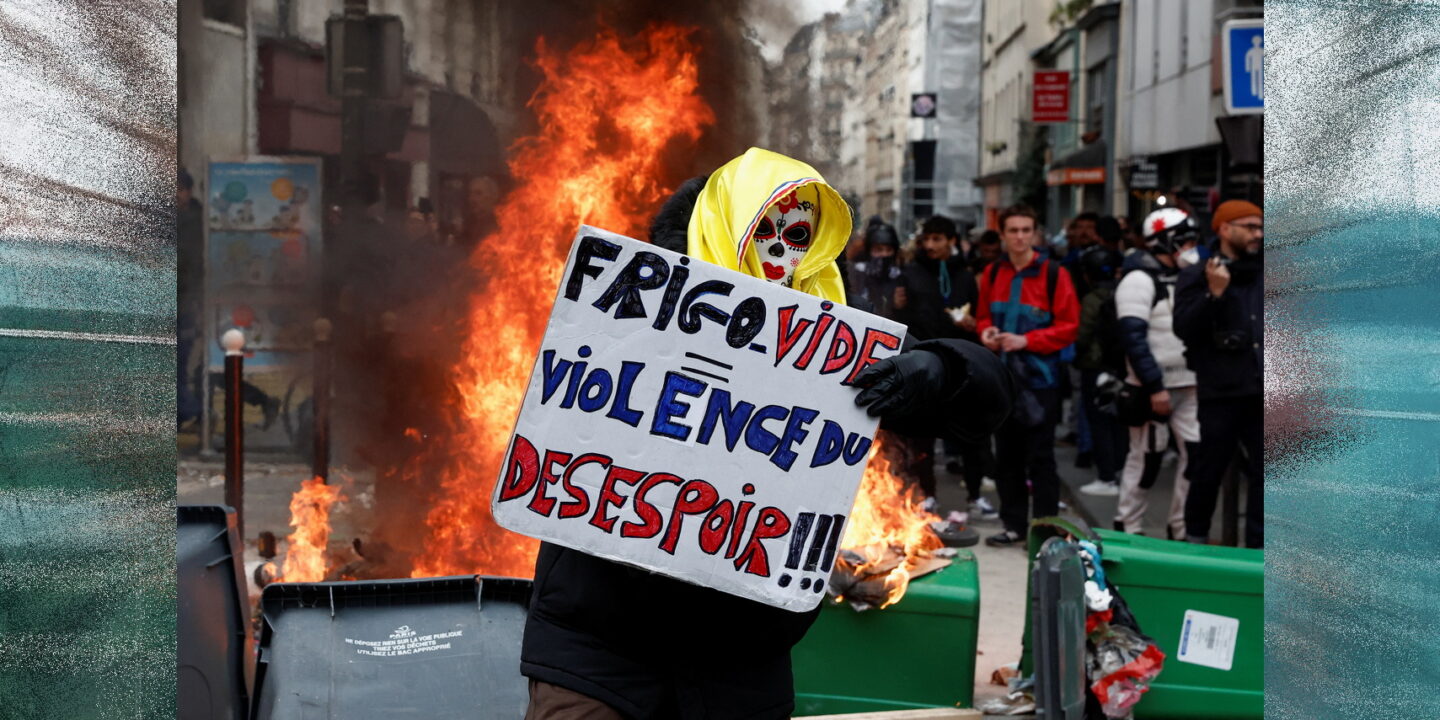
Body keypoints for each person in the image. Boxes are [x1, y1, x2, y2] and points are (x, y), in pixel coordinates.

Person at [521, 148, 1016, 720]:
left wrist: (942, 368)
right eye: (764, 229)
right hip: (600, 652)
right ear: (727, 222)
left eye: (799, 234)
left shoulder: (831, 339)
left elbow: (987, 402)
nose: (781, 249)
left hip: (740, 666)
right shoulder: (631, 303)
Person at [977, 205, 1080, 547]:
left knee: (1041, 458)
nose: (1020, 237)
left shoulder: (1054, 274)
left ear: (1035, 233)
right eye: (1013, 230)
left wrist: (1027, 340)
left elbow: (1069, 327)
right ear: (1003, 234)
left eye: (1026, 230)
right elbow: (982, 317)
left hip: (1040, 382)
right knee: (1006, 457)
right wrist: (986, 332)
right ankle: (1014, 525)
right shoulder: (992, 273)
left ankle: (1044, 531)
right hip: (1002, 380)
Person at [1103, 209, 1202, 540]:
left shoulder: (1187, 276)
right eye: (1184, 240)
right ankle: (1128, 527)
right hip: (1151, 389)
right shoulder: (1138, 280)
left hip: (1190, 385)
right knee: (1146, 459)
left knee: (1196, 457)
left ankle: (1181, 528)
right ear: (1164, 241)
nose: (1190, 247)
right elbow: (1133, 338)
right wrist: (1154, 386)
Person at [892, 215, 995, 520]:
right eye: (927, 239)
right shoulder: (911, 273)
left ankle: (975, 494)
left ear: (951, 241)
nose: (930, 245)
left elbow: (979, 317)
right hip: (923, 362)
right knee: (922, 436)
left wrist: (972, 324)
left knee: (970, 434)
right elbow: (899, 319)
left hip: (961, 363)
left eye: (937, 239)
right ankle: (928, 495)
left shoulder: (965, 276)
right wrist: (896, 306)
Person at [1174, 199, 1264, 547]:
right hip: (1220, 391)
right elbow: (1184, 328)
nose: (1258, 234)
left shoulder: (1266, 272)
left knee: (1266, 476)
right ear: (1225, 229)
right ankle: (1196, 542)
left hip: (1263, 389)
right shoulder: (1198, 274)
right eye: (1250, 227)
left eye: (1260, 227)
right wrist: (1214, 295)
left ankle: (1258, 551)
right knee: (1207, 471)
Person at [1073, 246, 1127, 496]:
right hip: (1121, 366)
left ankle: (1106, 477)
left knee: (1099, 422)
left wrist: (1077, 355)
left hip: (1095, 368)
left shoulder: (1091, 300)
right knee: (1119, 422)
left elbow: (1082, 335)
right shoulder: (1124, 293)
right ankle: (1121, 471)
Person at [177, 169, 205, 428]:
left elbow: (197, 266)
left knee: (181, 363)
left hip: (187, 302)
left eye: (180, 189)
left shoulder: (200, 222)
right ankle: (186, 410)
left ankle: (190, 409)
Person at [846, 220, 904, 318]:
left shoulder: (899, 277)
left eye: (889, 250)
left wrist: (898, 307)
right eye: (878, 249)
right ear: (869, 251)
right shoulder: (855, 274)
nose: (884, 254)